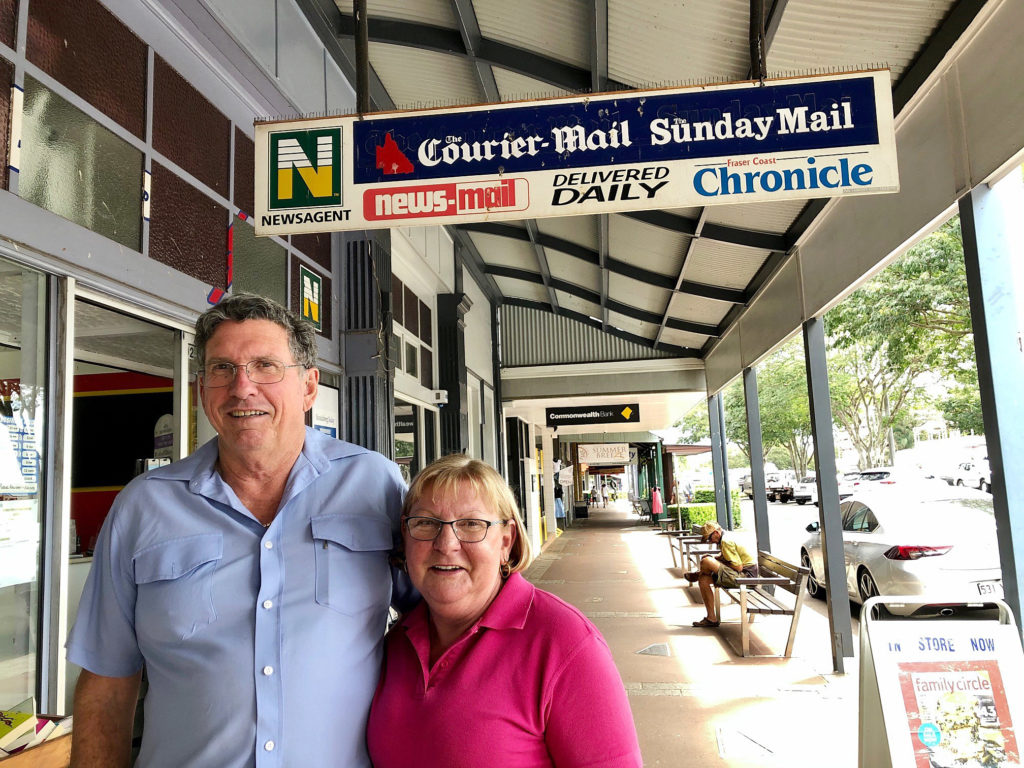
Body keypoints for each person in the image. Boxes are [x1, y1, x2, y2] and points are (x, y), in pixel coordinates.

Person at [66, 293, 415, 768]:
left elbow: (445, 621)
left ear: (309, 387)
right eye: (222, 369)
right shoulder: (143, 506)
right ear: (202, 388)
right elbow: (107, 680)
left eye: (266, 366)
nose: (242, 387)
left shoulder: (375, 485)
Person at [367, 455, 642, 768]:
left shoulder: (565, 643)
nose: (446, 543)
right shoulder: (395, 643)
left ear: (506, 542)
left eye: (471, 524)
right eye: (426, 523)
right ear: (405, 536)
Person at [684, 521, 758, 627]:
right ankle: (711, 619)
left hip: (745, 578)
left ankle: (698, 573)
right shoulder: (725, 537)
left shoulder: (726, 541)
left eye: (709, 538)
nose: (710, 541)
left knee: (706, 561)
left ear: (716, 533)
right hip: (741, 575)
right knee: (703, 579)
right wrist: (716, 559)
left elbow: (738, 567)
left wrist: (715, 562)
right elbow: (728, 556)